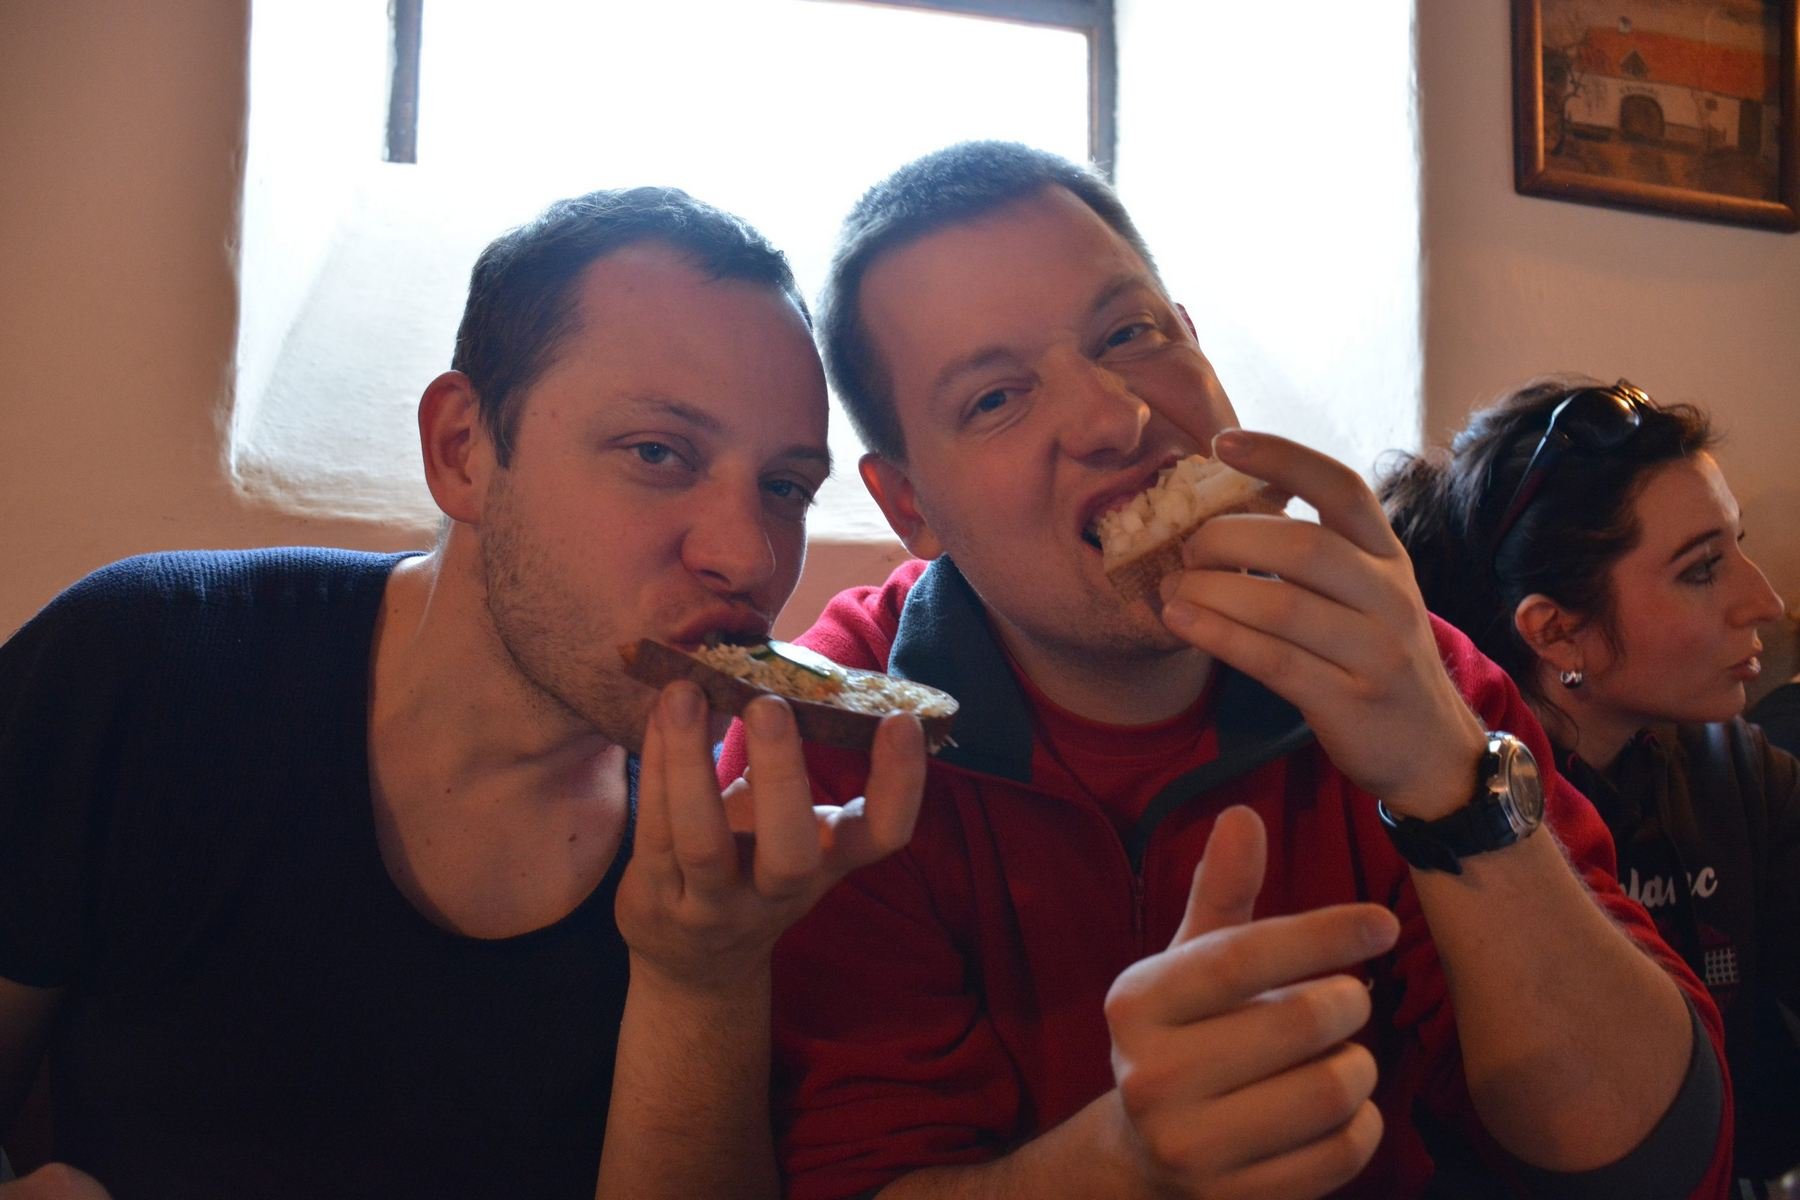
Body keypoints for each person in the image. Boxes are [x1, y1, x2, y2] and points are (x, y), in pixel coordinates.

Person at [721, 142, 1732, 1199]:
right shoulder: (830, 740)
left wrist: (1447, 778)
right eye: (995, 399)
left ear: (1197, 347)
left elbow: (1657, 1164)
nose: (1116, 417)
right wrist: (1121, 1167)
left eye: (1131, 334)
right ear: (909, 507)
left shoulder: (1403, 665)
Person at [0, 187, 926, 1199]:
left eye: (785, 488)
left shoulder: (732, 862)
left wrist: (704, 982)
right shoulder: (143, 663)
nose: (750, 558)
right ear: (463, 451)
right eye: (658, 454)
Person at [1380, 375, 1800, 1186]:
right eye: (1703, 569)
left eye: (1738, 546)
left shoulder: (1734, 774)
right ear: (1557, 632)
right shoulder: (1438, 817)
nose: (1767, 600)